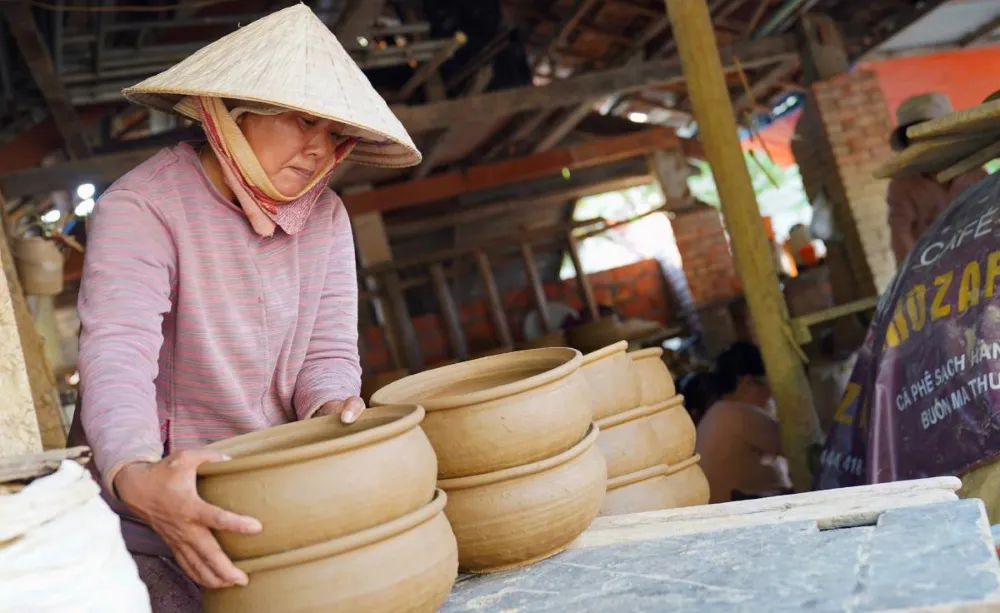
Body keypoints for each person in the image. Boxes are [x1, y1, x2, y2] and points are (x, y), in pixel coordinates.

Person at [64, 6, 421, 611]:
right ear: (230, 112)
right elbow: (118, 351)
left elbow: (328, 353)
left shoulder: (328, 218)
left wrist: (333, 404)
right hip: (157, 512)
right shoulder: (144, 207)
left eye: (336, 135)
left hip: (272, 498)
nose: (318, 149)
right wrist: (134, 472)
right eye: (304, 121)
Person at [815, 90, 1000, 522]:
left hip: (969, 298)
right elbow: (906, 254)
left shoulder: (973, 171)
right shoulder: (913, 184)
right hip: (943, 304)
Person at [886, 93, 988, 265]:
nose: (926, 144)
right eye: (916, 138)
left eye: (932, 134)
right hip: (939, 271)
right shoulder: (903, 185)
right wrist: (916, 275)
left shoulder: (975, 173)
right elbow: (901, 235)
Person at [695, 342, 793, 504]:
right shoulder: (738, 415)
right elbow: (801, 448)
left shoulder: (720, 412)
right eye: (770, 384)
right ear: (748, 383)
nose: (771, 394)